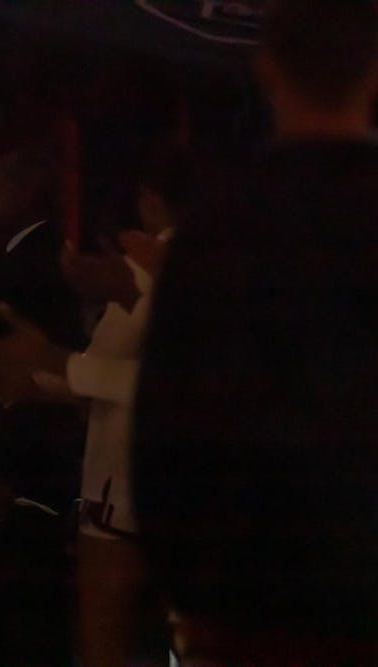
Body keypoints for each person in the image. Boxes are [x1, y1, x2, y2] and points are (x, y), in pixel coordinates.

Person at [133, 1, 378, 663]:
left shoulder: (216, 231)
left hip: (251, 605)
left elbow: (165, 436)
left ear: (266, 69)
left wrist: (191, 589)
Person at [0, 144, 192, 666]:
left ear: (151, 198)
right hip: (156, 492)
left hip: (122, 497)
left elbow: (156, 383)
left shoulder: (164, 270)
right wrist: (45, 377)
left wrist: (54, 362)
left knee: (102, 645)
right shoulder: (181, 269)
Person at [0, 147, 87, 666]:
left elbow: (20, 382)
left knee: (26, 626)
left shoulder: (24, 275)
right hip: (32, 480)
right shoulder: (34, 264)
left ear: (23, 196)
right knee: (31, 624)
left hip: (19, 485)